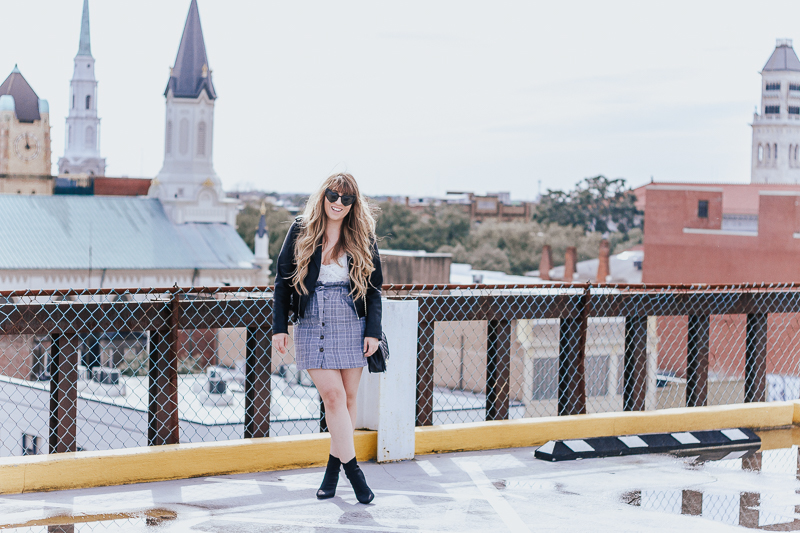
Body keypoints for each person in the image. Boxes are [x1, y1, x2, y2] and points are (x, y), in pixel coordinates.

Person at [273, 172, 382, 504]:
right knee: (333, 398)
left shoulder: (362, 236)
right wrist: (280, 327)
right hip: (311, 319)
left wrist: (373, 332)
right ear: (323, 196)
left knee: (348, 401)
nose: (338, 203)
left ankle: (332, 472)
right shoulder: (301, 229)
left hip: (351, 320)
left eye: (346, 199)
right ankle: (355, 474)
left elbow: (375, 290)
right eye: (333, 196)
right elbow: (281, 281)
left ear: (353, 204)